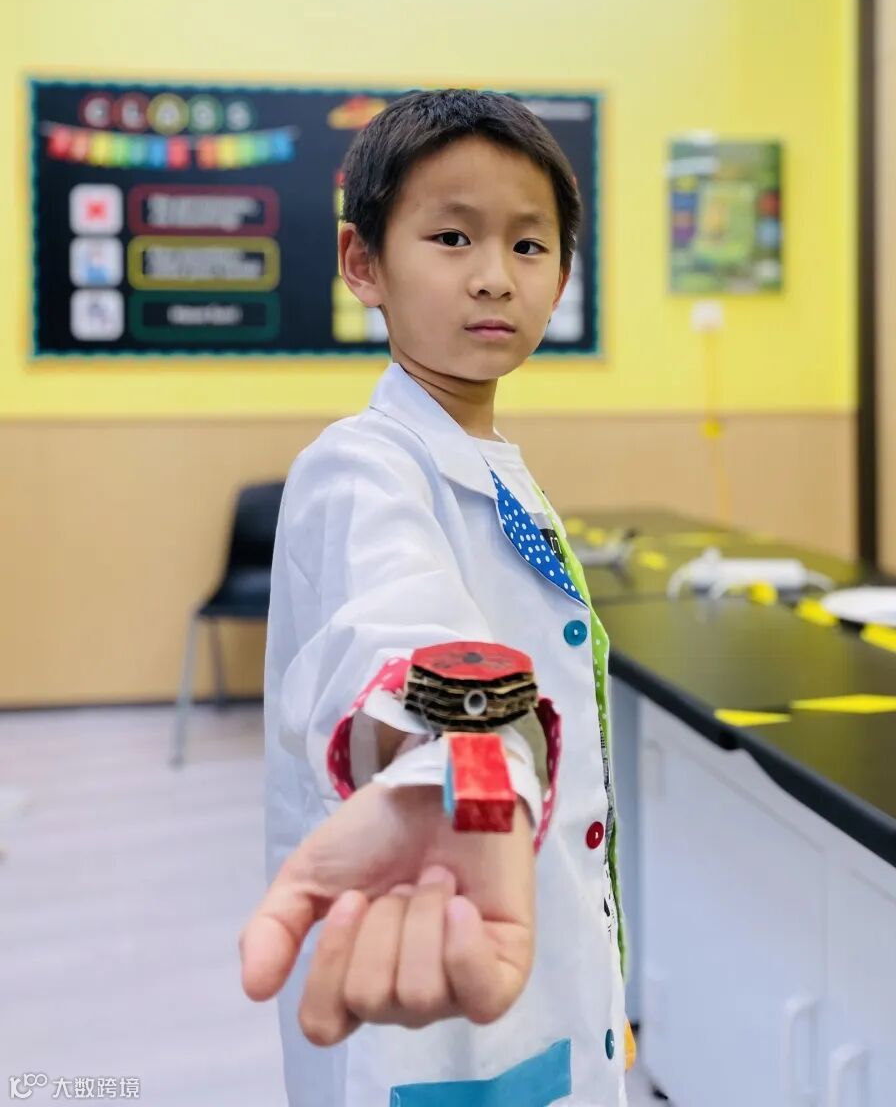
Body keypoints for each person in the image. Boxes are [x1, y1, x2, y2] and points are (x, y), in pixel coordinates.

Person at [239, 89, 631, 1105]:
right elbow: (401, 626)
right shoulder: (360, 468)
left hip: (521, 954)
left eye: (529, 246)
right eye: (452, 237)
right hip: (431, 975)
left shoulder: (488, 460)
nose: (494, 275)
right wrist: (452, 771)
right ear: (362, 261)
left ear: (562, 276)